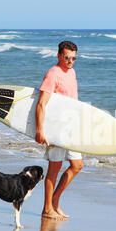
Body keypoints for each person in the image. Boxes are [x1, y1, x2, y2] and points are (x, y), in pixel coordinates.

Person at [35, 41, 83, 220]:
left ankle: (54, 201)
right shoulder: (53, 73)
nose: (70, 61)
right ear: (59, 56)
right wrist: (40, 130)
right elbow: (41, 104)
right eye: (67, 57)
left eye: (73, 58)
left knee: (77, 165)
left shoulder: (72, 72)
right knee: (54, 168)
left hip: (71, 126)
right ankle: (47, 209)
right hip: (56, 127)